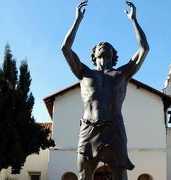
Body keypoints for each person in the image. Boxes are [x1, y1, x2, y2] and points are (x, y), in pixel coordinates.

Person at [61, 1, 149, 179]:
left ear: (113, 54)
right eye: (100, 45)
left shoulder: (122, 73)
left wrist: (134, 20)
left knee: (120, 176)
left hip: (114, 129)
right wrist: (77, 20)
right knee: (84, 176)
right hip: (88, 129)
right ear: (94, 55)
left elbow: (144, 49)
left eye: (107, 45)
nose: (103, 45)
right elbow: (66, 48)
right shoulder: (84, 72)